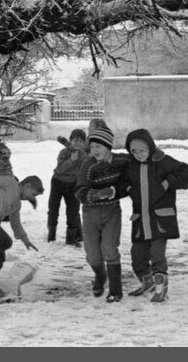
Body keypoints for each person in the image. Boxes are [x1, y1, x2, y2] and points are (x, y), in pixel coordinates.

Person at [119, 129, 188, 303]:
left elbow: (185, 174)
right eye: (134, 151)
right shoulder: (131, 165)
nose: (138, 154)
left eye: (142, 150)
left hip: (160, 220)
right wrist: (128, 189)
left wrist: (167, 183)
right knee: (137, 256)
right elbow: (121, 181)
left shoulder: (163, 161)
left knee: (157, 255)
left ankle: (161, 289)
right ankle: (147, 282)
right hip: (140, 220)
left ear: (150, 147)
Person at [75, 124, 129, 303]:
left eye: (98, 146)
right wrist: (97, 194)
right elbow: (80, 192)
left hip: (112, 211)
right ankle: (100, 275)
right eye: (91, 147)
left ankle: (115, 291)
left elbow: (135, 171)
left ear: (109, 146)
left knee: (109, 249)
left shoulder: (121, 161)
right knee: (92, 254)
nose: (94, 150)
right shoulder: (88, 165)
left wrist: (115, 192)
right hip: (90, 213)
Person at [47, 128, 87, 245]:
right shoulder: (64, 152)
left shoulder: (83, 155)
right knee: (53, 209)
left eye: (80, 141)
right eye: (75, 140)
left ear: (84, 143)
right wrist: (71, 160)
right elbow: (59, 168)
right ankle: (51, 235)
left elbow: (83, 170)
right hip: (58, 182)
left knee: (73, 211)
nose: (77, 143)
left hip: (73, 185)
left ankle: (71, 238)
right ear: (70, 140)